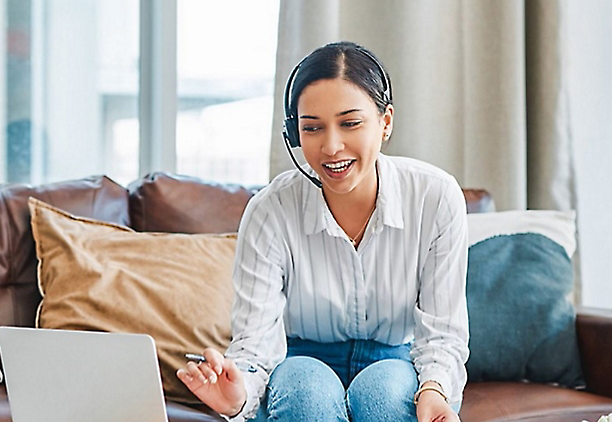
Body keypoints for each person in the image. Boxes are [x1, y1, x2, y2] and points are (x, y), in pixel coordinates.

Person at [176, 41, 469, 422]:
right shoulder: (270, 209)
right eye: (312, 128)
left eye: (350, 123)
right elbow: (255, 343)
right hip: (301, 362)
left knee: (385, 393)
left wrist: (433, 389)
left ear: (386, 122)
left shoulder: (436, 197)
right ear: (294, 134)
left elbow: (443, 334)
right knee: (306, 391)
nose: (331, 147)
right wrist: (239, 395)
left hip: (397, 361)